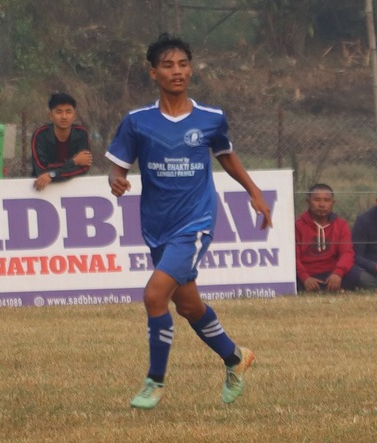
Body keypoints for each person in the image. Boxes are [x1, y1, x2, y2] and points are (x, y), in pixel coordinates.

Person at [105, 35, 269, 409]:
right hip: (156, 226)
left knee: (154, 295)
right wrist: (116, 178)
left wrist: (254, 192)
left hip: (195, 223)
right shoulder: (137, 122)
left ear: (191, 69)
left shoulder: (210, 119)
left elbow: (226, 156)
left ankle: (155, 382)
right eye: (168, 65)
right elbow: (119, 162)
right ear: (153, 72)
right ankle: (234, 357)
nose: (176, 71)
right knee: (190, 306)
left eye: (182, 64)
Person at [294, 182, 353, 291]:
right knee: (292, 280)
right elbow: (293, 258)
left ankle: (333, 286)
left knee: (356, 274)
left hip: (332, 274)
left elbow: (347, 253)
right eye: (317, 200)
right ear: (308, 202)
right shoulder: (297, 226)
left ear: (333, 203)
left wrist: (338, 274)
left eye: (327, 200)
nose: (322, 205)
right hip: (307, 275)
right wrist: (305, 278)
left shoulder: (341, 225)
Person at [30, 92, 93, 190]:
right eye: (59, 112)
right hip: (41, 188)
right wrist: (74, 162)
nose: (64, 116)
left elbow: (84, 168)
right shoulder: (40, 134)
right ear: (51, 115)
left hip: (74, 187)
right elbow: (41, 169)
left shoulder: (82, 133)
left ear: (74, 115)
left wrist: (52, 175)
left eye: (68, 112)